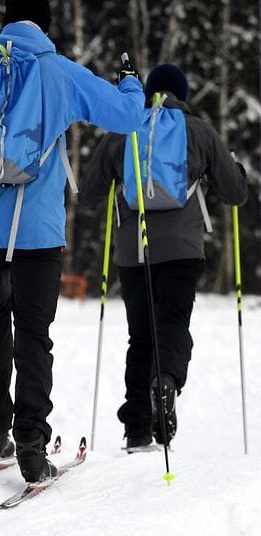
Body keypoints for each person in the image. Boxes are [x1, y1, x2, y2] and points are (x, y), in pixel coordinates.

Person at [0, 0, 144, 482]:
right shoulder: (60, 72)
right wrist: (131, 82)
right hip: (37, 230)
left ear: (4, 22)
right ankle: (33, 446)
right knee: (33, 333)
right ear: (47, 26)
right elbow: (127, 117)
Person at [81, 64, 248, 449]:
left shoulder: (123, 129)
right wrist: (234, 169)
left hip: (132, 250)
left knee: (140, 335)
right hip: (182, 249)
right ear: (182, 95)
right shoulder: (199, 131)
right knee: (172, 323)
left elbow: (89, 194)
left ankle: (137, 426)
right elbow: (235, 193)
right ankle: (167, 381)